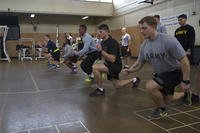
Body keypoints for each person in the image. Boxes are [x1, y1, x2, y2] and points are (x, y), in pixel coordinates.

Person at [124, 16, 192, 118]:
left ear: (153, 26)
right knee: (167, 99)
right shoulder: (144, 46)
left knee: (151, 86)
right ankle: (186, 95)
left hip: (175, 72)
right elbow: (139, 62)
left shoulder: (168, 40)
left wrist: (186, 80)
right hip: (161, 74)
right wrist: (129, 70)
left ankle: (162, 110)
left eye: (144, 28)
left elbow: (184, 61)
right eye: (140, 28)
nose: (141, 31)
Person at [89, 24, 140, 97]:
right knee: (117, 85)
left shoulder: (112, 42)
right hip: (109, 65)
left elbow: (112, 59)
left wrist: (101, 51)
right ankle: (134, 79)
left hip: (115, 66)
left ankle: (100, 89)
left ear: (106, 32)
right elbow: (104, 55)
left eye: (100, 32)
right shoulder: (103, 42)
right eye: (98, 32)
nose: (98, 34)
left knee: (95, 67)